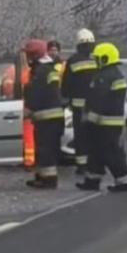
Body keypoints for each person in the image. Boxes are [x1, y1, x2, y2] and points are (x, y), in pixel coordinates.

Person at [77, 42, 127, 192]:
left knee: (110, 153)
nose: (96, 62)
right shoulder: (113, 74)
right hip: (108, 121)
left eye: (98, 59)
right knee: (96, 151)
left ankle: (123, 181)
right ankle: (92, 180)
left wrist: (89, 118)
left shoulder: (105, 77)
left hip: (104, 122)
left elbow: (98, 100)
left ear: (105, 58)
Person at [23, 39, 65, 189]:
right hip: (51, 116)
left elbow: (37, 93)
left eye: (29, 55)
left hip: (47, 117)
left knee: (46, 149)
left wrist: (28, 108)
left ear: (35, 55)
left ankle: (49, 180)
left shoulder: (40, 72)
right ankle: (42, 176)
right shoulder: (48, 69)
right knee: (44, 148)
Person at [60, 29, 97, 175]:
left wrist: (65, 99)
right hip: (94, 106)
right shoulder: (97, 60)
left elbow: (66, 84)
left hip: (78, 107)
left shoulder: (73, 61)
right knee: (93, 135)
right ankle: (94, 164)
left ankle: (82, 166)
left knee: (80, 137)